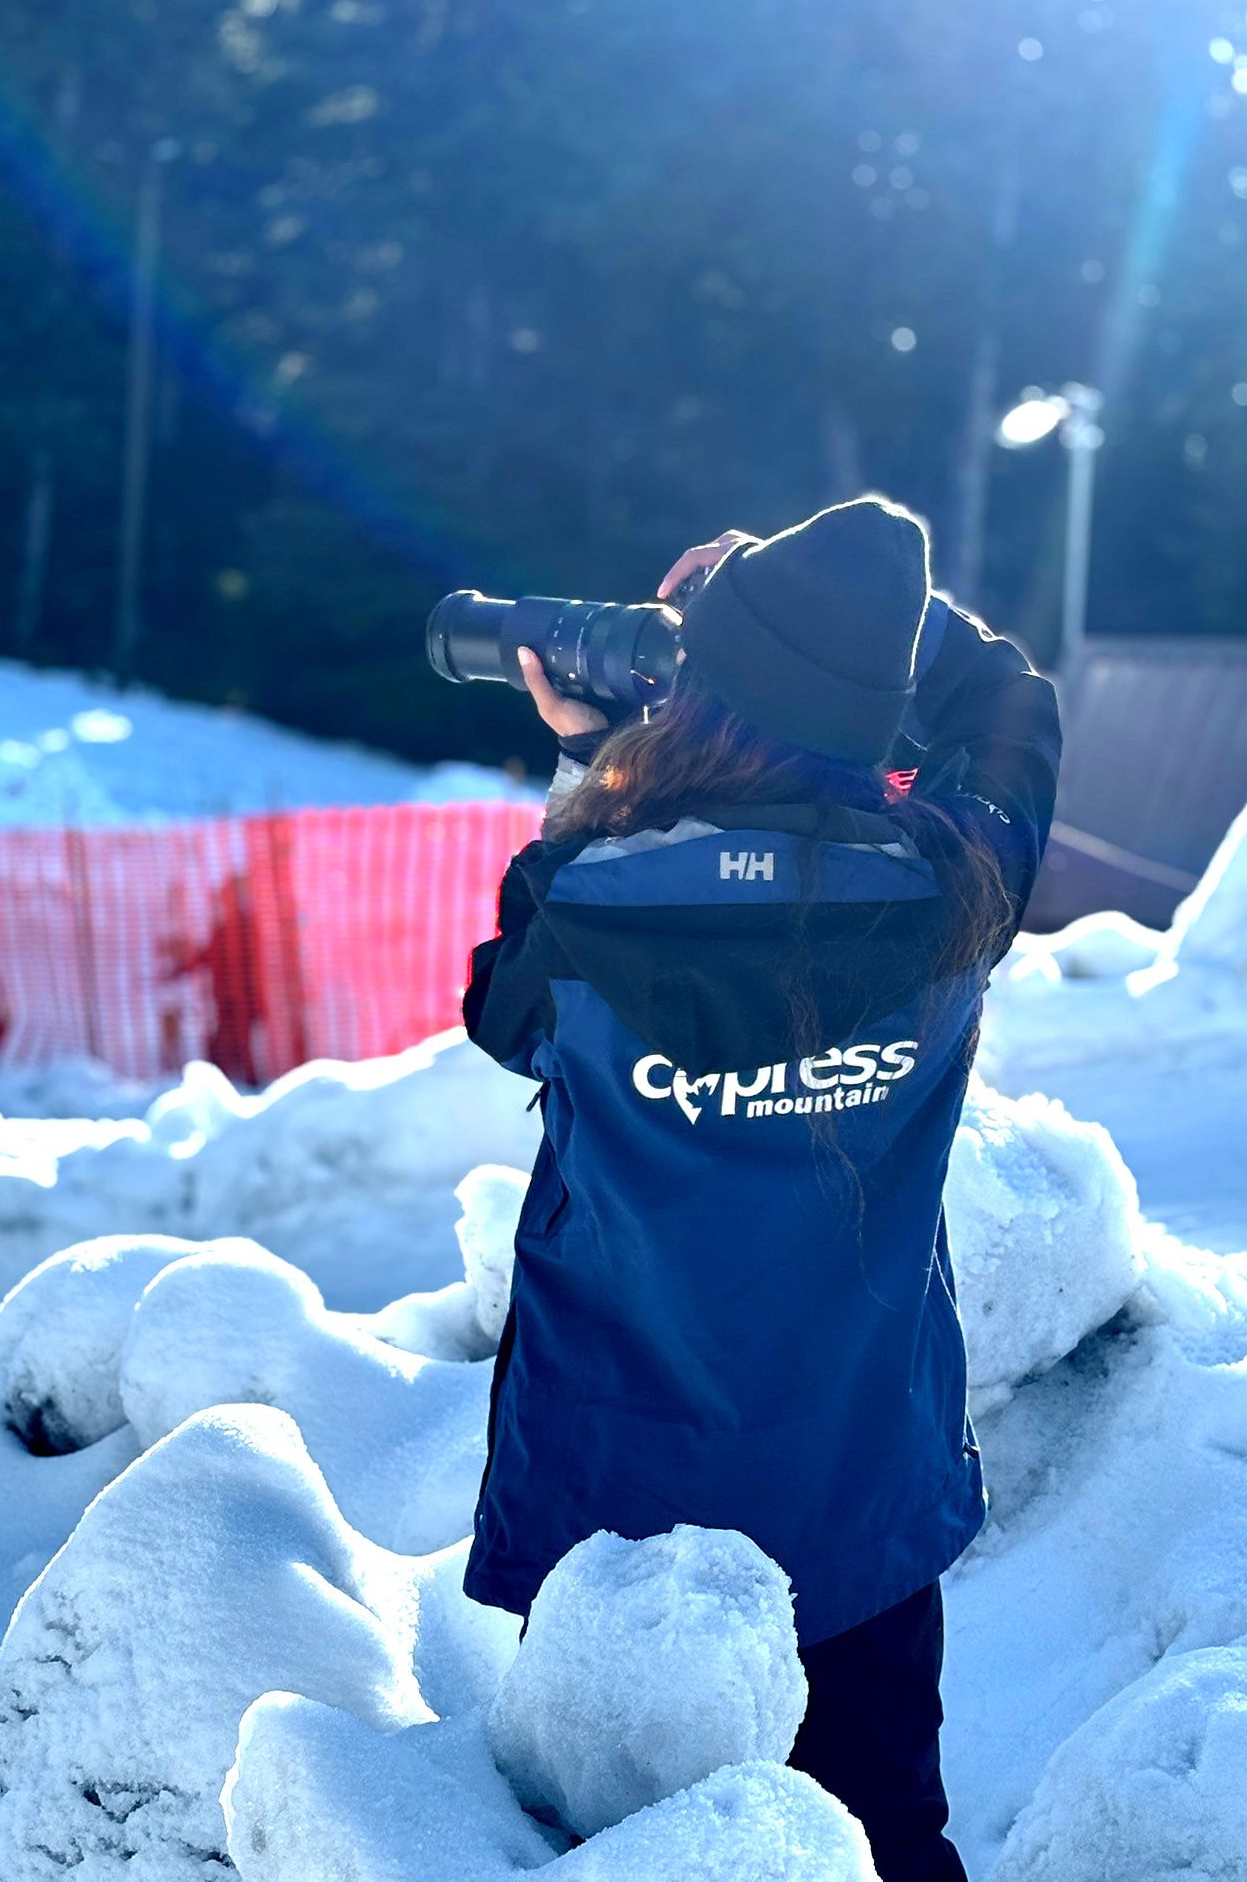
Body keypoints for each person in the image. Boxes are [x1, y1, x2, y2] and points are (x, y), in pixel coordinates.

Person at [459, 496, 1062, 1878]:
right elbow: (1013, 706)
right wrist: (876, 620)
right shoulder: (959, 887)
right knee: (884, 1834)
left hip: (617, 1493)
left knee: (633, 1840)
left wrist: (598, 759)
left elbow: (505, 1017)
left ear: (699, 699)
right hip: (858, 1482)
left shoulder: (585, 892)